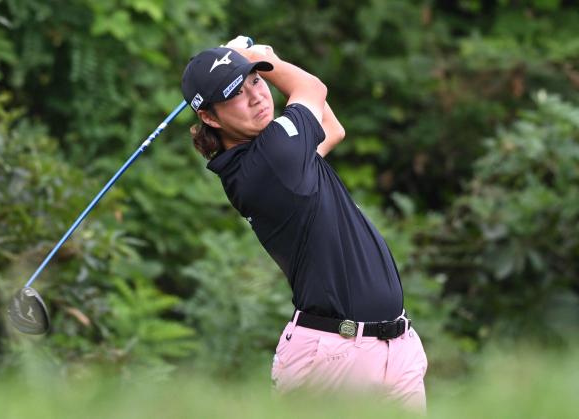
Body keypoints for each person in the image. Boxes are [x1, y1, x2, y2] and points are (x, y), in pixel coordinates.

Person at [181, 37, 428, 411]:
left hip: (394, 348)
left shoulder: (267, 158)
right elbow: (312, 88)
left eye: (256, 81)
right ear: (210, 117)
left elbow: (332, 127)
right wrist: (258, 57)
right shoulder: (276, 156)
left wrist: (253, 62)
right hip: (334, 356)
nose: (257, 97)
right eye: (235, 92)